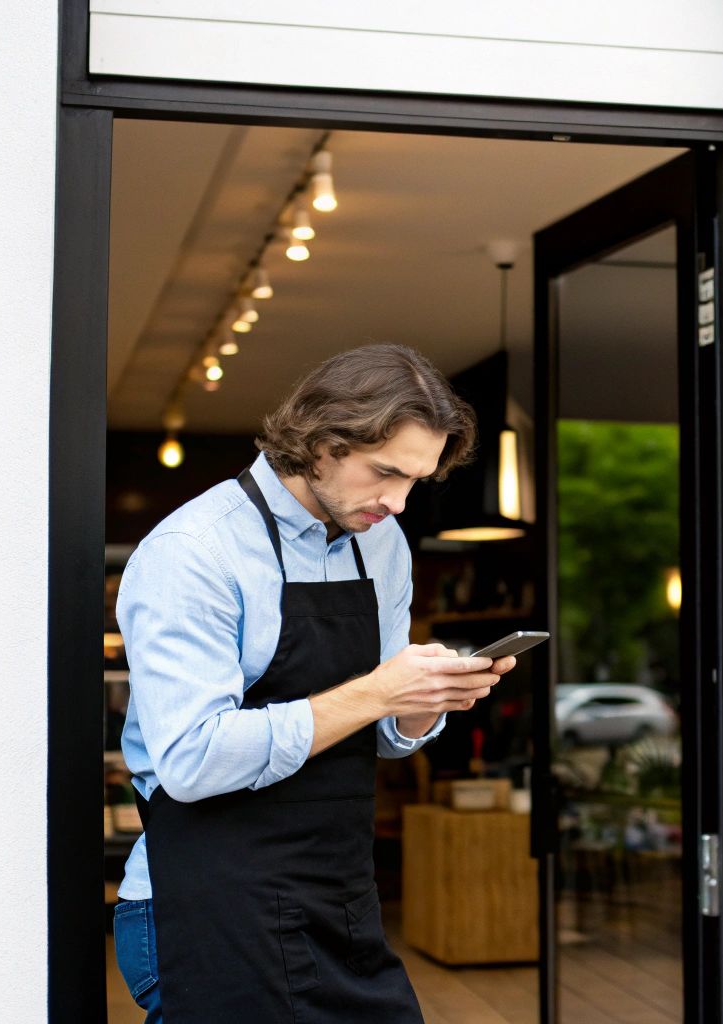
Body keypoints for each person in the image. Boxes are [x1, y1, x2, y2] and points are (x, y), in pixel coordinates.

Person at [112, 344, 516, 1022]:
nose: (399, 502)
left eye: (416, 482)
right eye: (386, 473)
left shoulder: (381, 542)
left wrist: (423, 704)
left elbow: (382, 735)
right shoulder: (195, 552)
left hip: (338, 897)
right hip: (206, 905)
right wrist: (379, 692)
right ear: (324, 443)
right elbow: (190, 759)